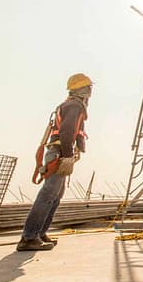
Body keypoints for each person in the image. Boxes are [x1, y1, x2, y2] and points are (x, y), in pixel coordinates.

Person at [16, 73, 92, 251]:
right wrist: (67, 155)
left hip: (57, 152)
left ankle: (39, 233)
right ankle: (28, 237)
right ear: (84, 89)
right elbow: (66, 132)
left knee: (55, 196)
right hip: (59, 153)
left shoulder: (69, 104)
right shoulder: (75, 106)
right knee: (48, 195)